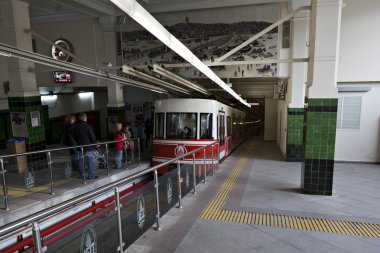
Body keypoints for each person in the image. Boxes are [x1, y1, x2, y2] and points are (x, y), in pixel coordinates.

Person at [73, 113, 98, 180]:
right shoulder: (88, 126)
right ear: (85, 118)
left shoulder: (76, 127)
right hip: (89, 147)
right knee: (90, 161)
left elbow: (74, 137)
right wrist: (95, 143)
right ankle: (91, 176)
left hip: (79, 147)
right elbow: (92, 136)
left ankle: (81, 176)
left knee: (80, 162)